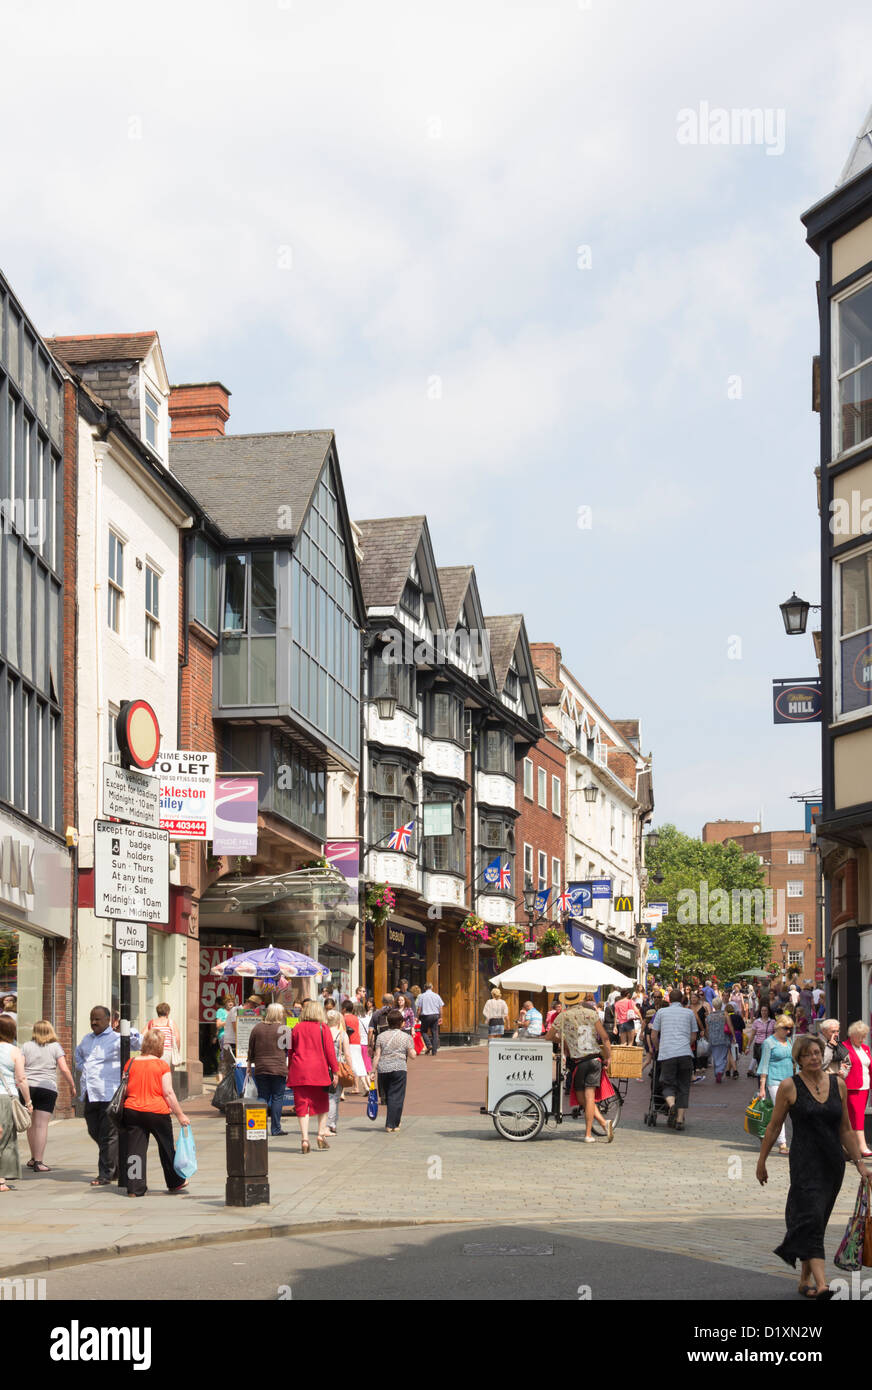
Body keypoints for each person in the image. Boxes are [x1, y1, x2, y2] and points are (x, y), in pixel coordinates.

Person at [757, 1033, 867, 1299]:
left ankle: (804, 1280)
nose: (814, 1058)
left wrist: (860, 1164)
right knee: (812, 1218)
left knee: (816, 1220)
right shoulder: (789, 1086)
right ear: (798, 1059)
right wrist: (762, 1161)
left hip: (832, 1165)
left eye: (817, 1052)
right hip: (805, 1163)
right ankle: (822, 1285)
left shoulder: (838, 1084)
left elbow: (846, 1129)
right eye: (807, 1054)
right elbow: (773, 1127)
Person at [75, 1005, 140, 1186]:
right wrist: (84, 1068)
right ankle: (116, 1164)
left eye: (98, 1019)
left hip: (109, 1093)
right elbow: (78, 1056)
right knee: (94, 1130)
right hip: (91, 1093)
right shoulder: (86, 1039)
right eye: (92, 1019)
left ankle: (105, 1174)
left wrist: (128, 1030)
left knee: (108, 1136)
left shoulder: (117, 1038)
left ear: (109, 1020)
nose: (94, 1022)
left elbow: (138, 1043)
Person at [121, 1029, 190, 1196]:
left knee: (134, 1150)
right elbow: (168, 1092)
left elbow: (124, 1089)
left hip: (132, 1110)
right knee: (166, 1147)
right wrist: (180, 1114)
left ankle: (134, 1188)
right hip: (157, 1111)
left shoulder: (130, 1063)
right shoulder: (161, 1065)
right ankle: (175, 1182)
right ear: (159, 1046)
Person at [547, 991, 613, 1143]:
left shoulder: (563, 1016)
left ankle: (592, 1132)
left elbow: (549, 1037)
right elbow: (605, 1037)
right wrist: (608, 1056)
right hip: (595, 1059)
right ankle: (599, 1126)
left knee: (582, 1097)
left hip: (579, 1062)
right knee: (588, 1098)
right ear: (580, 999)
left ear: (566, 1001)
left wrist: (564, 1040)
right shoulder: (592, 1013)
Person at [22, 1020, 76, 1172]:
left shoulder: (26, 1046)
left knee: (31, 1125)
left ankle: (33, 1158)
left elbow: (20, 1067)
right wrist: (72, 1085)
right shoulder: (55, 1047)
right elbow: (64, 1069)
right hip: (47, 1088)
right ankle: (39, 1161)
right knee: (41, 1125)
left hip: (28, 1088)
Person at [287, 1000, 338, 1153]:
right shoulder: (324, 1028)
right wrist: (335, 1071)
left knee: (302, 1105)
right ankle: (321, 1134)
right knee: (322, 1104)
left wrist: (290, 1068)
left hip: (299, 1070)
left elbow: (290, 1051)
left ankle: (304, 1139)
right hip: (319, 1071)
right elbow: (330, 1052)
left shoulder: (296, 1028)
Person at [650, 988, 698, 1131]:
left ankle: (672, 1106)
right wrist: (684, 1045)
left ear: (669, 999)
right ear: (682, 999)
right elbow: (694, 1036)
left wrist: (659, 1049)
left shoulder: (661, 1012)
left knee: (666, 1083)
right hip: (685, 1054)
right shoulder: (689, 1013)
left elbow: (653, 1035)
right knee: (684, 1086)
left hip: (667, 1054)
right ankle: (679, 1121)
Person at [246, 1004, 290, 1137]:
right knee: (277, 1097)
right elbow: (288, 1050)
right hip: (278, 1068)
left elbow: (251, 1048)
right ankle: (276, 1129)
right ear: (278, 1014)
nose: (283, 1015)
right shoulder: (284, 1029)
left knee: (262, 1096)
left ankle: (258, 1128)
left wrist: (249, 1065)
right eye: (282, 1012)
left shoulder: (257, 1028)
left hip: (261, 1067)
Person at [0, 1016, 32, 1190]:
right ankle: (1, 1180)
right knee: (5, 1139)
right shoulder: (14, 1051)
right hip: (5, 1098)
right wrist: (28, 1101)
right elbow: (21, 1079)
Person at [372, 1008, 416, 1132]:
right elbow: (412, 1055)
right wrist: (414, 1050)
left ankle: (394, 1122)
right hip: (399, 1067)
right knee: (397, 1096)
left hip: (383, 1069)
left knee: (389, 1096)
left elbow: (377, 1055)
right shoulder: (405, 1036)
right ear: (401, 1023)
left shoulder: (381, 1036)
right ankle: (392, 1123)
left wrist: (372, 1071)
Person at [757, 1016, 796, 1156]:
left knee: (792, 1111)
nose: (788, 1031)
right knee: (780, 1112)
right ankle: (782, 1144)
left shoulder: (789, 1041)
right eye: (786, 1028)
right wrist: (762, 1088)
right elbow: (764, 1065)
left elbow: (794, 1062)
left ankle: (774, 1137)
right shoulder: (768, 1043)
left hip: (789, 1081)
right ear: (778, 1027)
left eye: (790, 1028)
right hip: (774, 1081)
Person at [842, 1021, 872, 1159]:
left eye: (864, 1036)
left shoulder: (865, 1048)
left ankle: (853, 1146)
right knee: (856, 1115)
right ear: (853, 1035)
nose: (863, 1039)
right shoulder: (844, 1047)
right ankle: (861, 1145)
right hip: (852, 1087)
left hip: (865, 1086)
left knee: (857, 1116)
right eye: (861, 1036)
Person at [325, 1010, 354, 1135]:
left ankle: (330, 1122)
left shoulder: (322, 1033)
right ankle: (330, 1124)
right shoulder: (342, 1035)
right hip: (338, 1066)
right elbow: (347, 1054)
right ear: (338, 1021)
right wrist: (350, 1068)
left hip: (324, 1066)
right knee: (334, 1097)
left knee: (327, 1097)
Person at [146, 1003, 180, 1069]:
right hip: (167, 1052)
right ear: (167, 1012)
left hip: (153, 1052)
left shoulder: (152, 1022)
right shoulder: (171, 1022)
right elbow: (177, 1039)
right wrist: (177, 1051)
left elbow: (142, 1035)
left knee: (155, 1072)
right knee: (166, 1072)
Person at [416, 982, 445, 1055]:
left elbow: (419, 1009)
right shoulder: (436, 996)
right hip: (435, 1015)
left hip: (426, 1016)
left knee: (423, 1031)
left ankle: (429, 1045)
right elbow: (440, 1007)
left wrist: (417, 1017)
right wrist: (441, 1017)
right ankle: (434, 1051)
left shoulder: (421, 996)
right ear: (432, 987)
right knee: (435, 1033)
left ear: (424, 988)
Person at [705, 997, 730, 1083]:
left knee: (715, 1057)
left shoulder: (709, 1016)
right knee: (723, 1056)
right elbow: (730, 1026)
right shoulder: (725, 1014)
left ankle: (717, 1072)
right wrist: (733, 1036)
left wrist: (708, 1037)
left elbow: (707, 1029)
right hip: (723, 1038)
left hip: (713, 1039)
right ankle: (720, 1071)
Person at [748, 1005, 775, 1078]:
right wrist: (748, 1047)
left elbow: (775, 1034)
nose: (764, 1012)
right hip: (758, 1046)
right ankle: (761, 1086)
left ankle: (767, 1084)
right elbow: (752, 1035)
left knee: (768, 1066)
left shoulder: (772, 1022)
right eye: (762, 1010)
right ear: (760, 1012)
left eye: (765, 1010)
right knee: (761, 1066)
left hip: (769, 1046)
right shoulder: (756, 1022)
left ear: (768, 1012)